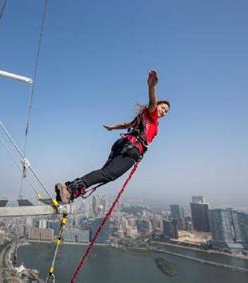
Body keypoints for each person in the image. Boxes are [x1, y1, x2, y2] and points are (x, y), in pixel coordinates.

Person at [55, 70, 170, 203]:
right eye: (162, 108)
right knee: (108, 174)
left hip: (123, 145)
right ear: (157, 106)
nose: (164, 112)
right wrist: (151, 87)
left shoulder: (144, 118)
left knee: (105, 173)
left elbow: (127, 124)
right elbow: (152, 103)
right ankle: (69, 189)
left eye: (166, 111)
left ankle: (70, 191)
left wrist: (113, 127)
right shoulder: (153, 116)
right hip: (131, 150)